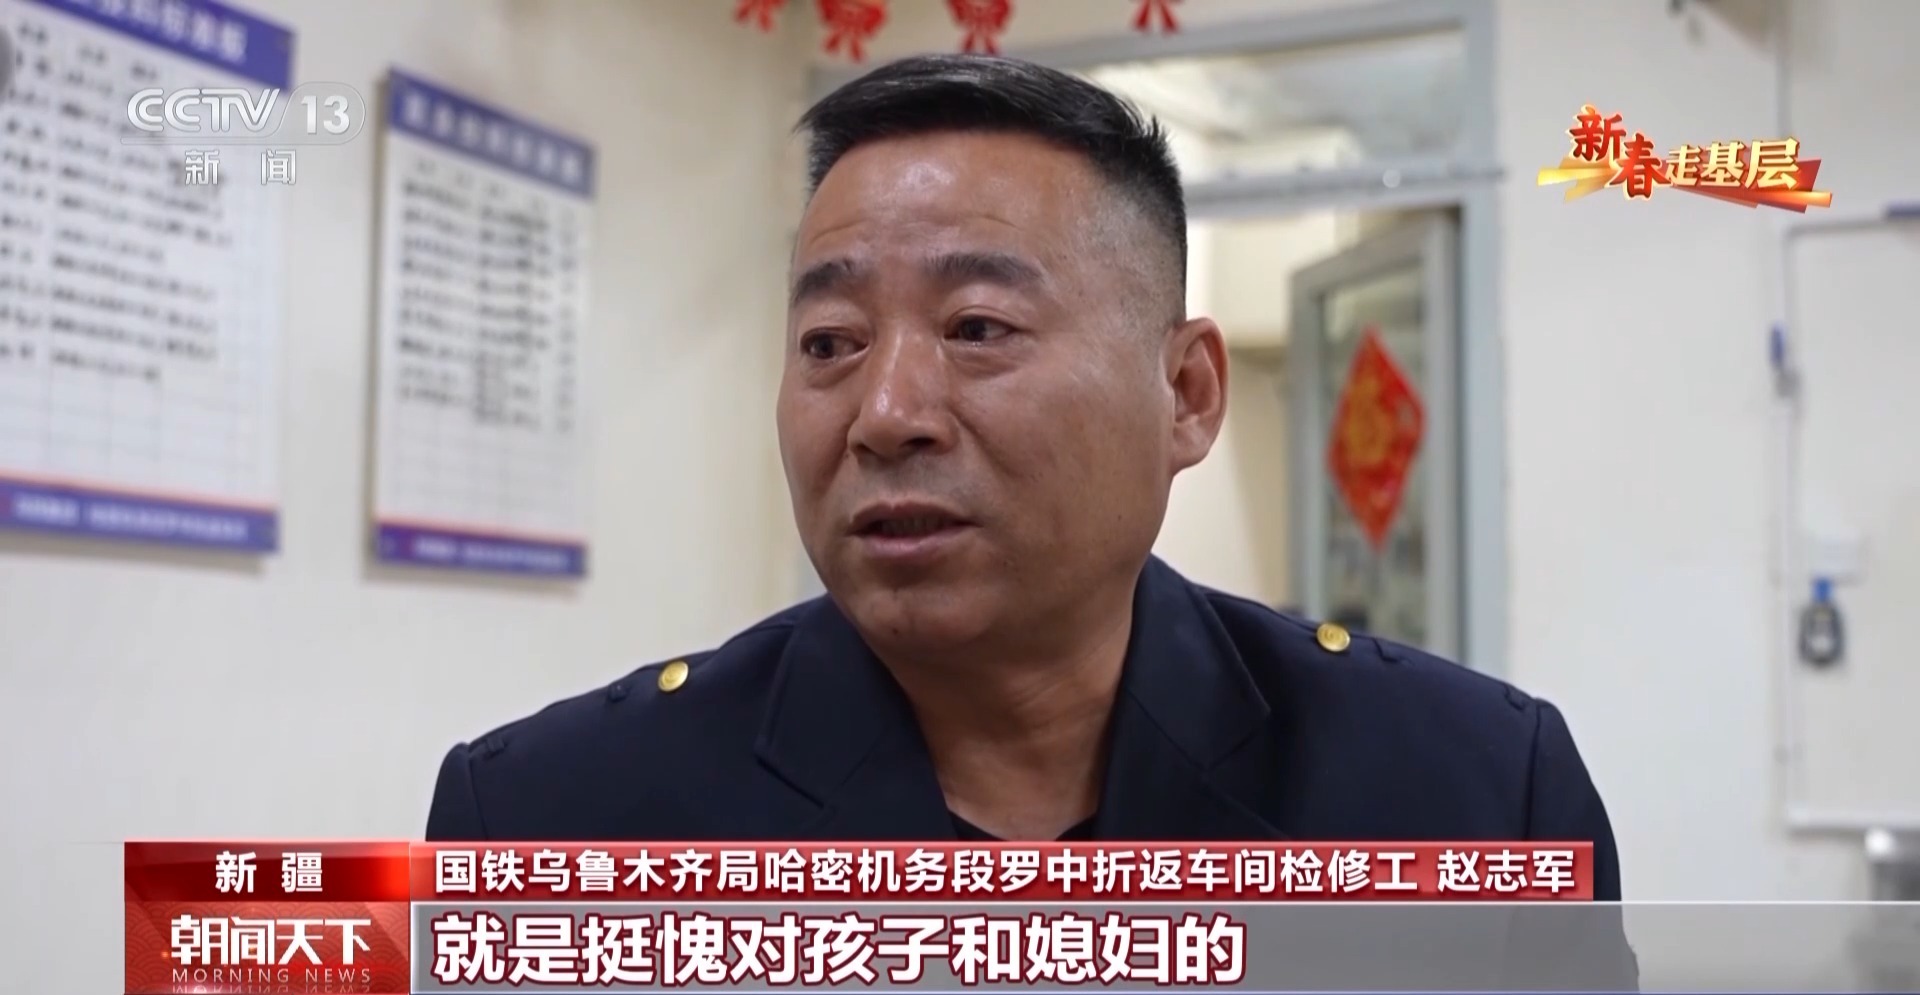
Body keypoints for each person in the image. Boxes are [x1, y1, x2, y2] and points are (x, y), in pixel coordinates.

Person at [425, 53, 1624, 897]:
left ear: (1187, 393)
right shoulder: (550, 824)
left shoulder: (1472, 798)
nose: (885, 414)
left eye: (978, 328)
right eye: (831, 343)